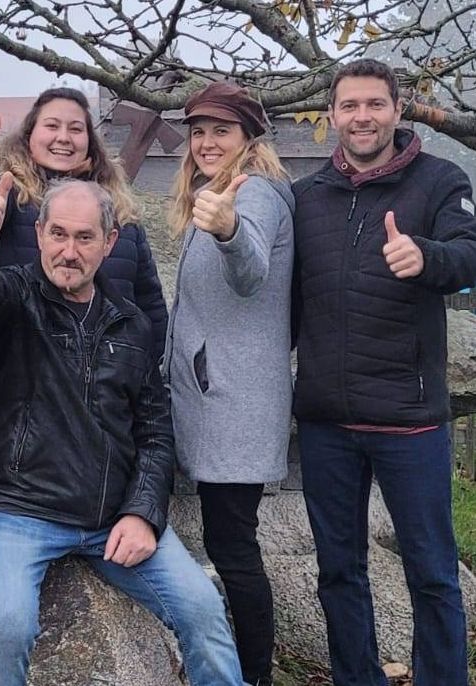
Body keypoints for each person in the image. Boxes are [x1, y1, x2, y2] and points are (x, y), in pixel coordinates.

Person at [0, 176, 246, 686]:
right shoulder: (13, 297)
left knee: (203, 609)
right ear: (40, 233)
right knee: (8, 626)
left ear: (110, 243)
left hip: (112, 518)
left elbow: (155, 432)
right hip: (19, 509)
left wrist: (143, 514)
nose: (69, 251)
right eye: (59, 234)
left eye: (85, 237)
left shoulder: (131, 323)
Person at [292, 58, 476, 685]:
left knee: (431, 571)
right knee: (339, 570)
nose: (362, 116)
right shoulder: (306, 197)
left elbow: (469, 256)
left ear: (397, 110)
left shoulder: (440, 181)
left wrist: (426, 255)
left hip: (410, 420)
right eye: (350, 106)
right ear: (333, 114)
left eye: (375, 104)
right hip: (325, 422)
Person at [163, 81, 294, 686]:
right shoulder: (212, 192)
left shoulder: (255, 194)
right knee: (227, 543)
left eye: (222, 130)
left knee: (234, 549)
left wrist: (228, 230)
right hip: (211, 399)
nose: (208, 141)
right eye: (199, 131)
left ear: (248, 138)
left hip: (233, 404)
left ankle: (254, 676)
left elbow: (251, 272)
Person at [0, 86, 168, 354]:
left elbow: (150, 305)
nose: (64, 137)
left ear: (90, 140)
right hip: (25, 375)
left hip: (112, 379)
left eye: (76, 129)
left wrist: (156, 373)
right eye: (52, 126)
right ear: (30, 135)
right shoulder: (11, 197)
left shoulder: (120, 212)